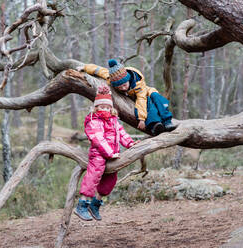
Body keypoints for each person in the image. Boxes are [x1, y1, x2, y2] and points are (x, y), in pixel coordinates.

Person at [74, 84, 138, 221]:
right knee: (94, 174)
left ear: (111, 108)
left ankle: (95, 204)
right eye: (101, 107)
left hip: (112, 155)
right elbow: (98, 139)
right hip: (99, 154)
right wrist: (109, 153)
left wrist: (130, 143)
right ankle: (82, 204)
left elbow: (121, 133)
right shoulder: (94, 120)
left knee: (111, 179)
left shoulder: (113, 119)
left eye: (107, 107)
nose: (105, 109)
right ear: (96, 108)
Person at [77, 59, 175, 136]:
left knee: (156, 99)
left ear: (128, 79)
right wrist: (84, 67)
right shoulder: (112, 77)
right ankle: (155, 125)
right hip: (135, 98)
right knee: (148, 107)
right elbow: (98, 70)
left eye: (124, 85)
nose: (123, 88)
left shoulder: (138, 83)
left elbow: (141, 100)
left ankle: (167, 121)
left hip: (146, 93)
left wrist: (141, 119)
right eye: (119, 87)